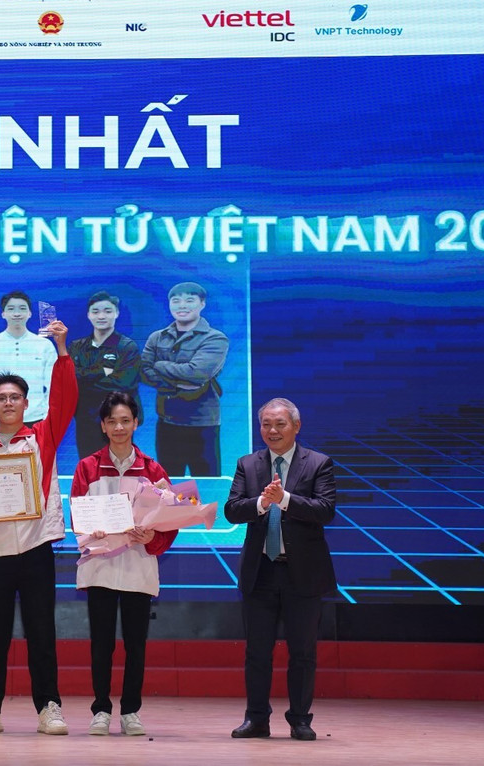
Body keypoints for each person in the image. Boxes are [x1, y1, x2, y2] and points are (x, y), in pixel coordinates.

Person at [0, 320, 77, 737]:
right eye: (1, 398)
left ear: (27, 403)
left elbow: (66, 399)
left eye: (15, 397)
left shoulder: (43, 436)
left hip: (35, 547)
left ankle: (49, 708)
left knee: (41, 631)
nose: (8, 403)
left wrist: (62, 350)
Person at [223, 398, 337, 742]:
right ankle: (256, 719)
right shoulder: (248, 464)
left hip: (303, 573)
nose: (272, 430)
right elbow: (232, 510)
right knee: (257, 652)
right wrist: (262, 503)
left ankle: (300, 719)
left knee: (302, 652)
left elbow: (325, 510)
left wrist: (284, 499)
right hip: (260, 571)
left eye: (280, 424)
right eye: (266, 424)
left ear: (296, 427)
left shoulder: (318, 463)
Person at [71, 391, 177, 737]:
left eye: (125, 421)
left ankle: (130, 710)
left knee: (136, 644)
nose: (119, 427)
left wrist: (152, 537)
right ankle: (101, 709)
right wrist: (92, 531)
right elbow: (77, 518)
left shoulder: (153, 470)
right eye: (112, 421)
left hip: (137, 566)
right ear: (103, 426)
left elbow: (170, 522)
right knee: (101, 644)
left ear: (136, 423)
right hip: (100, 566)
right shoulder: (87, 467)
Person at [140, 281, 229, 477]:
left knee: (206, 484)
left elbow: (197, 373)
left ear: (202, 303)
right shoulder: (157, 337)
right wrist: (179, 385)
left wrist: (160, 366)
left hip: (203, 424)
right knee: (167, 485)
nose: (182, 306)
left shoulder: (215, 338)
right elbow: (144, 371)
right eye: (176, 301)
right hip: (167, 421)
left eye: (189, 300)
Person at [68, 290, 142, 459]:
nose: (101, 316)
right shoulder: (77, 346)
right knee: (89, 467)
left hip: (118, 421)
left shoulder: (127, 347)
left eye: (107, 311)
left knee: (119, 468)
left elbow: (123, 383)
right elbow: (70, 380)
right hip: (85, 420)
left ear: (116, 313)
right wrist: (102, 371)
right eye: (95, 311)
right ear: (88, 315)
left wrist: (85, 380)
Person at [0, 291, 57, 431]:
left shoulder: (44, 345)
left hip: (36, 420)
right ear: (3, 314)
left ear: (30, 313)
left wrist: (47, 417)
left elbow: (54, 384)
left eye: (22, 309)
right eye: (11, 309)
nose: (17, 313)